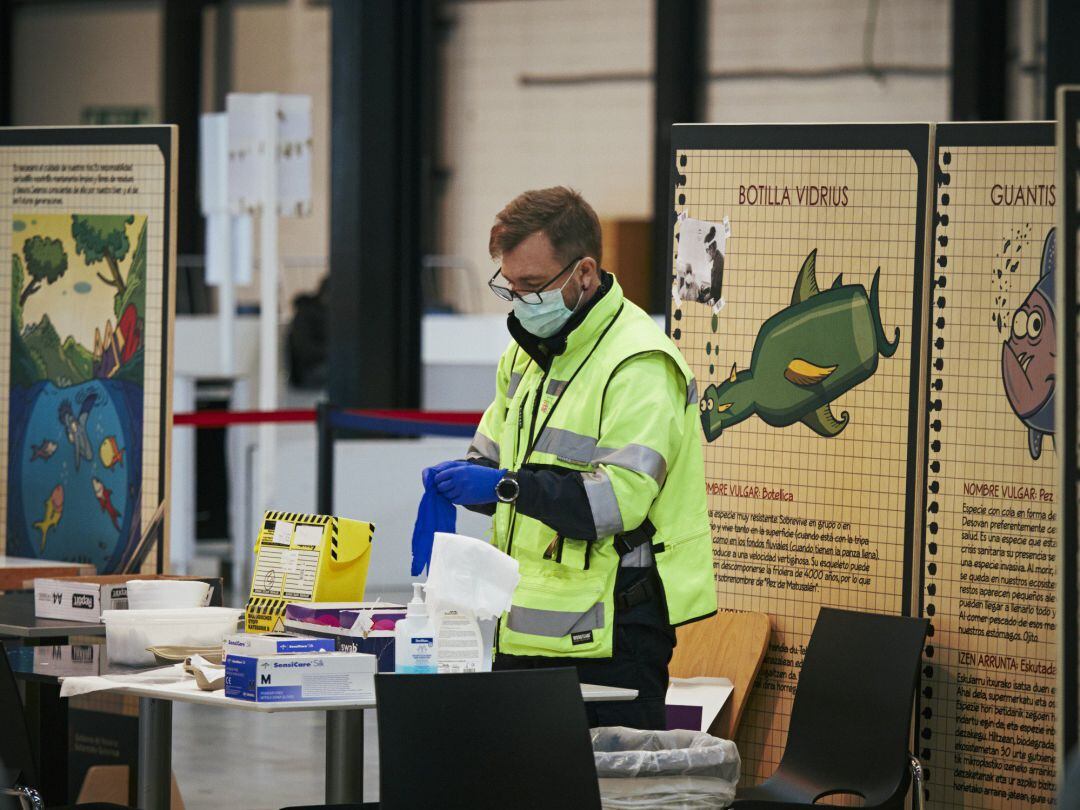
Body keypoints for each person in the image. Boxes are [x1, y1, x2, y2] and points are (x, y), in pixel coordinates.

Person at [426, 186, 716, 729]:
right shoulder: (527, 354)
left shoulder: (640, 364)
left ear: (584, 273)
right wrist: (464, 479)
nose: (519, 301)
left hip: (611, 635)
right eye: (509, 286)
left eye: (533, 286)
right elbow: (490, 460)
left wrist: (507, 488)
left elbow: (617, 503)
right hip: (523, 626)